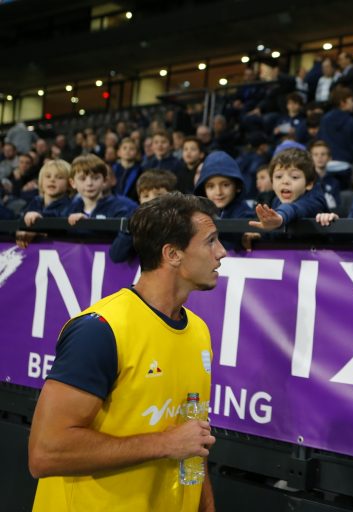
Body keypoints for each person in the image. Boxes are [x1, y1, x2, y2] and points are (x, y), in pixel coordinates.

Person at [29, 193, 222, 511]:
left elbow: (191, 441)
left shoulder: (199, 331)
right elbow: (45, 453)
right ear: (172, 254)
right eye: (210, 241)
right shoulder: (100, 329)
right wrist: (165, 444)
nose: (222, 253)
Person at [249, 148, 328, 234]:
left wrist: (280, 217)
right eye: (278, 177)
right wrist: (259, 237)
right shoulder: (276, 201)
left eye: (294, 177)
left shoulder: (315, 200)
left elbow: (293, 208)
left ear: (309, 184)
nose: (285, 181)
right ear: (272, 182)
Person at [109, 170, 178, 263]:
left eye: (159, 195)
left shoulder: (181, 221)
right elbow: (116, 256)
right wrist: (130, 229)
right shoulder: (133, 220)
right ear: (139, 200)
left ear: (172, 196)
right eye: (146, 196)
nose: (152, 200)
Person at [194, 151, 254, 250]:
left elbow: (247, 233)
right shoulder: (199, 212)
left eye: (225, 185)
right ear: (203, 189)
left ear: (237, 186)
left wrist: (249, 236)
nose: (218, 192)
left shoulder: (244, 212)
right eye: (211, 186)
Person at [15, 160, 73, 249]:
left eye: (59, 177)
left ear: (70, 184)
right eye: (48, 176)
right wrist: (18, 232)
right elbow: (18, 222)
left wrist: (37, 229)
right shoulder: (35, 201)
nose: (52, 180)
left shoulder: (71, 205)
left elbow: (60, 224)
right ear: (41, 182)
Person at [113, 138, 143, 202]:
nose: (128, 151)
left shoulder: (140, 171)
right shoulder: (113, 170)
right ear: (119, 152)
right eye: (124, 148)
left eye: (131, 149)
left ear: (137, 153)